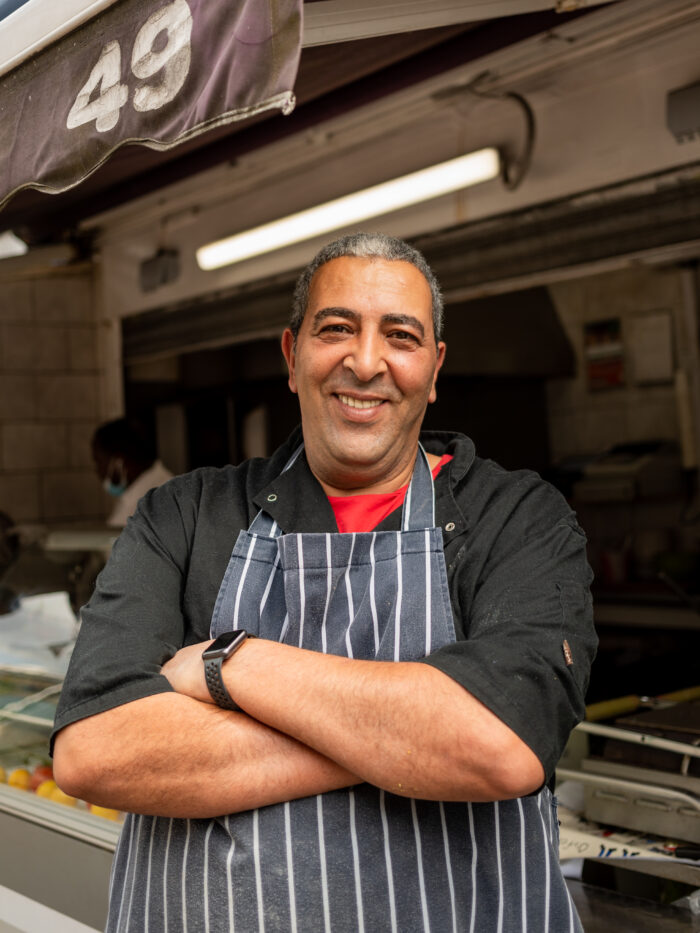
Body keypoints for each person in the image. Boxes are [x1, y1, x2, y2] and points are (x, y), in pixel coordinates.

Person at [52, 233, 596, 932]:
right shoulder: (184, 517)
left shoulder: (517, 518)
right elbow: (94, 750)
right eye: (336, 328)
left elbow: (498, 741)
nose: (365, 361)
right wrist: (407, 735)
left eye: (400, 336)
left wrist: (231, 664)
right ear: (292, 356)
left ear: (434, 370)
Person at [91, 418, 173, 527]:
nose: (98, 471)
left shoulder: (140, 508)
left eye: (99, 462)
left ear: (118, 464)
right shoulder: (166, 483)